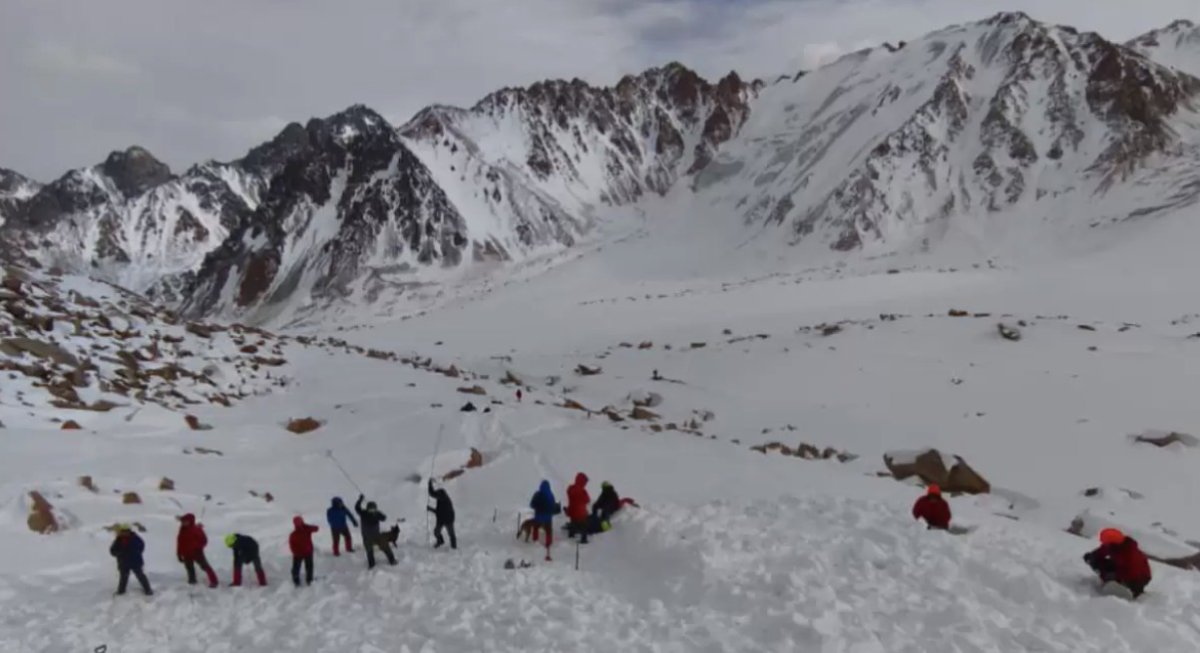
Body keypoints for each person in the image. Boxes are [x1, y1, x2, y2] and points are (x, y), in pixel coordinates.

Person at [1084, 528, 1152, 598]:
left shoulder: (1129, 552)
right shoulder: (1114, 545)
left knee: (1114, 576)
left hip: (1139, 577)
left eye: (1105, 543)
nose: (1105, 544)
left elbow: (1133, 571)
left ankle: (1132, 593)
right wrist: (1092, 557)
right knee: (1097, 561)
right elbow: (1101, 551)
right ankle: (1111, 583)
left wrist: (1114, 576)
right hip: (1122, 569)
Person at [176, 513, 218, 588]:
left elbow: (204, 540)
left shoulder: (196, 529)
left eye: (186, 521)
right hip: (186, 553)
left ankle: (214, 581)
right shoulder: (182, 530)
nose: (184, 523)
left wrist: (198, 548)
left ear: (190, 521)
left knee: (205, 566)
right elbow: (179, 543)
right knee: (189, 568)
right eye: (183, 521)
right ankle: (192, 580)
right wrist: (179, 554)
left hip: (197, 552)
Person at [355, 494, 397, 568]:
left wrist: (378, 513)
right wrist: (360, 500)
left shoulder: (374, 514)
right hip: (367, 537)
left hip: (376, 536)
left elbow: (384, 518)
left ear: (375, 509)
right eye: (370, 509)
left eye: (373, 509)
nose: (371, 511)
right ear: (367, 509)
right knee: (369, 551)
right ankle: (372, 564)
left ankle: (392, 560)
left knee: (386, 547)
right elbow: (357, 508)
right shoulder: (364, 513)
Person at [110, 524, 153, 596]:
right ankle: (121, 591)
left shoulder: (135, 538)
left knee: (140, 575)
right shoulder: (118, 540)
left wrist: (134, 552)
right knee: (123, 577)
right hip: (123, 563)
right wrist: (118, 553)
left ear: (129, 531)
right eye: (123, 531)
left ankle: (148, 590)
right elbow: (112, 550)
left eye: (126, 531)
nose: (124, 533)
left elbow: (141, 546)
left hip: (135, 561)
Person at [529, 480, 561, 561]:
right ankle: (548, 543)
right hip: (547, 518)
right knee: (548, 530)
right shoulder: (550, 495)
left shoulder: (537, 494)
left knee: (536, 527)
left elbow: (531, 504)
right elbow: (553, 507)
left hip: (538, 517)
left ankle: (535, 539)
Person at [289, 516, 320, 586]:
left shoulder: (293, 535)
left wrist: (295, 552)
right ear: (302, 522)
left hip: (298, 554)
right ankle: (309, 580)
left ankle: (296, 581)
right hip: (308, 552)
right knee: (309, 567)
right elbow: (316, 528)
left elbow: (292, 546)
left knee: (296, 568)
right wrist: (305, 525)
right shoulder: (306, 529)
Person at [427, 480, 457, 550]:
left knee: (451, 534)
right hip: (441, 519)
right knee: (436, 532)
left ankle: (454, 547)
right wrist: (430, 509)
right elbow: (438, 511)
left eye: (437, 494)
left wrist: (429, 485)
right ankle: (440, 541)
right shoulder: (441, 499)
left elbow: (432, 494)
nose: (436, 496)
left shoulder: (444, 498)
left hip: (448, 519)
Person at [566, 473, 592, 544]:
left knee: (573, 522)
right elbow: (587, 500)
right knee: (584, 525)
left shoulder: (571, 488)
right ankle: (584, 539)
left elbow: (568, 492)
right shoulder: (583, 491)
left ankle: (571, 534)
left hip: (571, 511)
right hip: (581, 513)